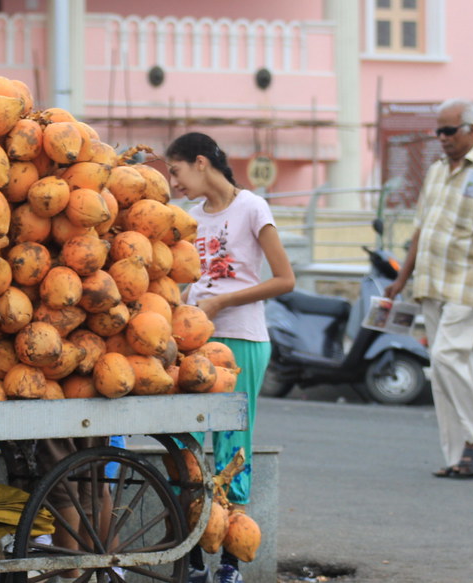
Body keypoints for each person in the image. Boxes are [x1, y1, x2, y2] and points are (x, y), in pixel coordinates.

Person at [165, 132, 295, 583]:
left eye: (177, 172)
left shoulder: (252, 208)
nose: (175, 184)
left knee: (231, 444)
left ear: (201, 162)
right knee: (182, 444)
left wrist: (222, 304)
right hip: (193, 343)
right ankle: (195, 553)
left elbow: (285, 279)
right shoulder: (187, 218)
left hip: (241, 339)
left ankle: (229, 563)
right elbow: (186, 282)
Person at [384, 98, 473, 479]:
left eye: (449, 130)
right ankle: (461, 456)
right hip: (432, 284)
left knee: (447, 356)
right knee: (443, 368)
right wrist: (401, 281)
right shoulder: (437, 171)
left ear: (471, 131)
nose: (441, 137)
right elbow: (421, 230)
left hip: (469, 284)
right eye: (438, 130)